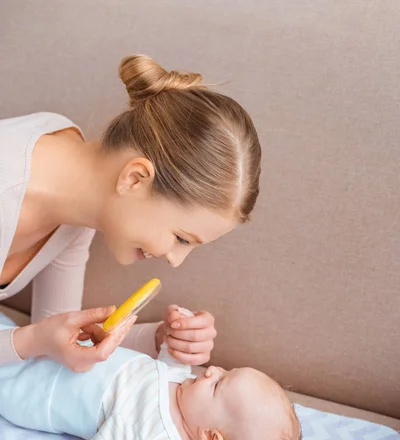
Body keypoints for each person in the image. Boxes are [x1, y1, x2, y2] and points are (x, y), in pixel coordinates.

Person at [0, 55, 261, 372]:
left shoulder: (80, 205)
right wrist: (32, 340)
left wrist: (161, 338)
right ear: (134, 178)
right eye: (180, 238)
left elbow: (57, 339)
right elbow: (36, 341)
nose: (175, 260)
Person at [0, 309, 301, 440]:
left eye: (218, 384)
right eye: (225, 370)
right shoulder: (186, 390)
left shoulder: (153, 436)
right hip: (52, 354)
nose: (213, 370)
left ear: (209, 436)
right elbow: (170, 364)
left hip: (38, 392)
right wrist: (177, 331)